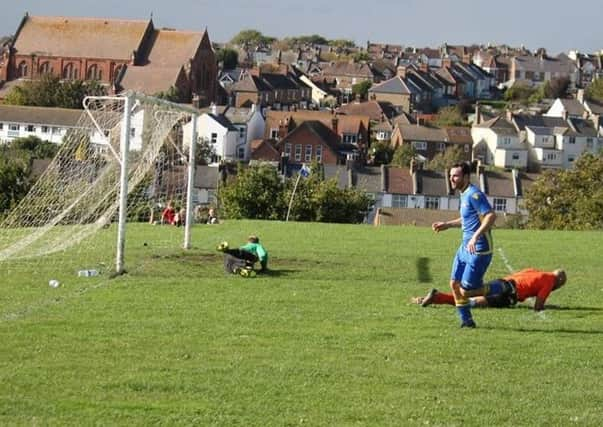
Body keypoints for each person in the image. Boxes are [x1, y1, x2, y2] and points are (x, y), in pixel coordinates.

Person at [432, 162, 496, 328]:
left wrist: (475, 237)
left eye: (455, 175)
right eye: (451, 175)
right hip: (465, 248)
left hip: (479, 250)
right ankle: (467, 321)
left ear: (466, 177)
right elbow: (467, 219)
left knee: (466, 291)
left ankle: (500, 287)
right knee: (454, 284)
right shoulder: (464, 193)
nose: (451, 178)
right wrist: (447, 224)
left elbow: (490, 216)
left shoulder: (475, 194)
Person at [412, 268, 567, 311]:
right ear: (558, 281)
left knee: (471, 295)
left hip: (502, 283)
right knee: (471, 303)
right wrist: (546, 307)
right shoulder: (550, 282)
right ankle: (438, 297)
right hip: (508, 295)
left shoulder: (536, 271)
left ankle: (434, 297)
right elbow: (538, 306)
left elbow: (519, 275)